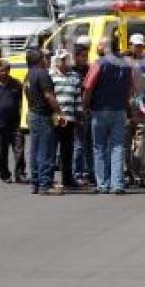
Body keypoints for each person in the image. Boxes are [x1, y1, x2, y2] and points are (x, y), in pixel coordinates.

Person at [82, 37, 132, 195]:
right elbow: (130, 88)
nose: (98, 46)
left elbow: (88, 87)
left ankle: (103, 184)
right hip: (119, 109)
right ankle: (117, 184)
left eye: (100, 44)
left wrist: (85, 105)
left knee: (99, 147)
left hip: (100, 109)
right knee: (117, 147)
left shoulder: (99, 63)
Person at [24, 48, 64, 195]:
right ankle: (45, 184)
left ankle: (35, 182)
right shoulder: (42, 74)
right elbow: (48, 95)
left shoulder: (28, 75)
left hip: (33, 114)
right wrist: (59, 112)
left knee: (35, 150)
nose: (47, 60)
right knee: (46, 151)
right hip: (42, 115)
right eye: (45, 57)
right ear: (39, 59)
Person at [125, 33, 145, 187]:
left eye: (141, 46)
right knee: (126, 143)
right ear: (130, 45)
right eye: (136, 45)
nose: (138, 48)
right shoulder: (124, 62)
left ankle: (138, 172)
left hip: (141, 108)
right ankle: (129, 172)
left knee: (141, 142)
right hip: (126, 107)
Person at [49, 49, 80, 188]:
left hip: (70, 118)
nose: (64, 61)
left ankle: (67, 178)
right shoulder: (50, 75)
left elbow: (78, 97)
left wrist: (79, 115)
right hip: (56, 118)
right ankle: (49, 178)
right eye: (61, 59)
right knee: (52, 148)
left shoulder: (74, 76)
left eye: (66, 59)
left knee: (67, 149)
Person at [71, 36, 93, 185]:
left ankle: (90, 172)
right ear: (76, 57)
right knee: (78, 145)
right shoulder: (72, 72)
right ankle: (77, 173)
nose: (85, 59)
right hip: (77, 113)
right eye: (82, 56)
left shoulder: (90, 69)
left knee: (90, 144)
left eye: (86, 56)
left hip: (90, 111)